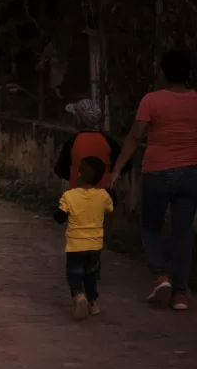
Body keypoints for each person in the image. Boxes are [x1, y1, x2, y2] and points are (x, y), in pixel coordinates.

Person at [110, 49, 197, 310]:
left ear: (163, 73)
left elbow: (135, 137)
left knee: (150, 227)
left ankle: (161, 276)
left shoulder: (151, 100)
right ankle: (181, 294)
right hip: (191, 173)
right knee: (183, 234)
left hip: (157, 172)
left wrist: (117, 169)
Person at [54, 157, 116, 320]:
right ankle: (92, 303)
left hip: (76, 245)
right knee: (91, 274)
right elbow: (111, 207)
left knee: (74, 274)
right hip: (95, 245)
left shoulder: (69, 196)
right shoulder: (102, 195)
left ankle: (79, 295)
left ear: (80, 173)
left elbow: (59, 217)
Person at [54, 99, 123, 188]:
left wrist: (77, 176)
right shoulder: (107, 140)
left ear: (79, 120)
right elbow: (124, 162)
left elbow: (60, 169)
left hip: (78, 196)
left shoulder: (73, 141)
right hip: (103, 195)